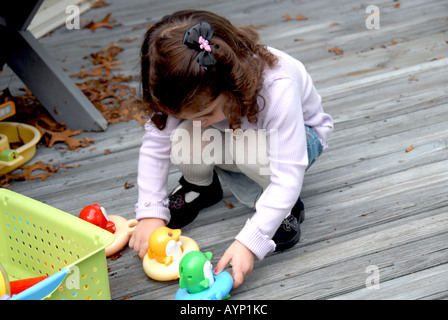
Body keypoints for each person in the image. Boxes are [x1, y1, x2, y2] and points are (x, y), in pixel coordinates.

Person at [129, 9, 333, 289]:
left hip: (297, 143)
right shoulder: (187, 83)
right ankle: (199, 186)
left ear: (230, 84)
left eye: (205, 112)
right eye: (187, 115)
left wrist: (250, 243)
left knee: (246, 145)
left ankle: (281, 211)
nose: (195, 122)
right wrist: (151, 213)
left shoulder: (276, 88)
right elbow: (156, 144)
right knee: (185, 138)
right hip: (235, 134)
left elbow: (288, 174)